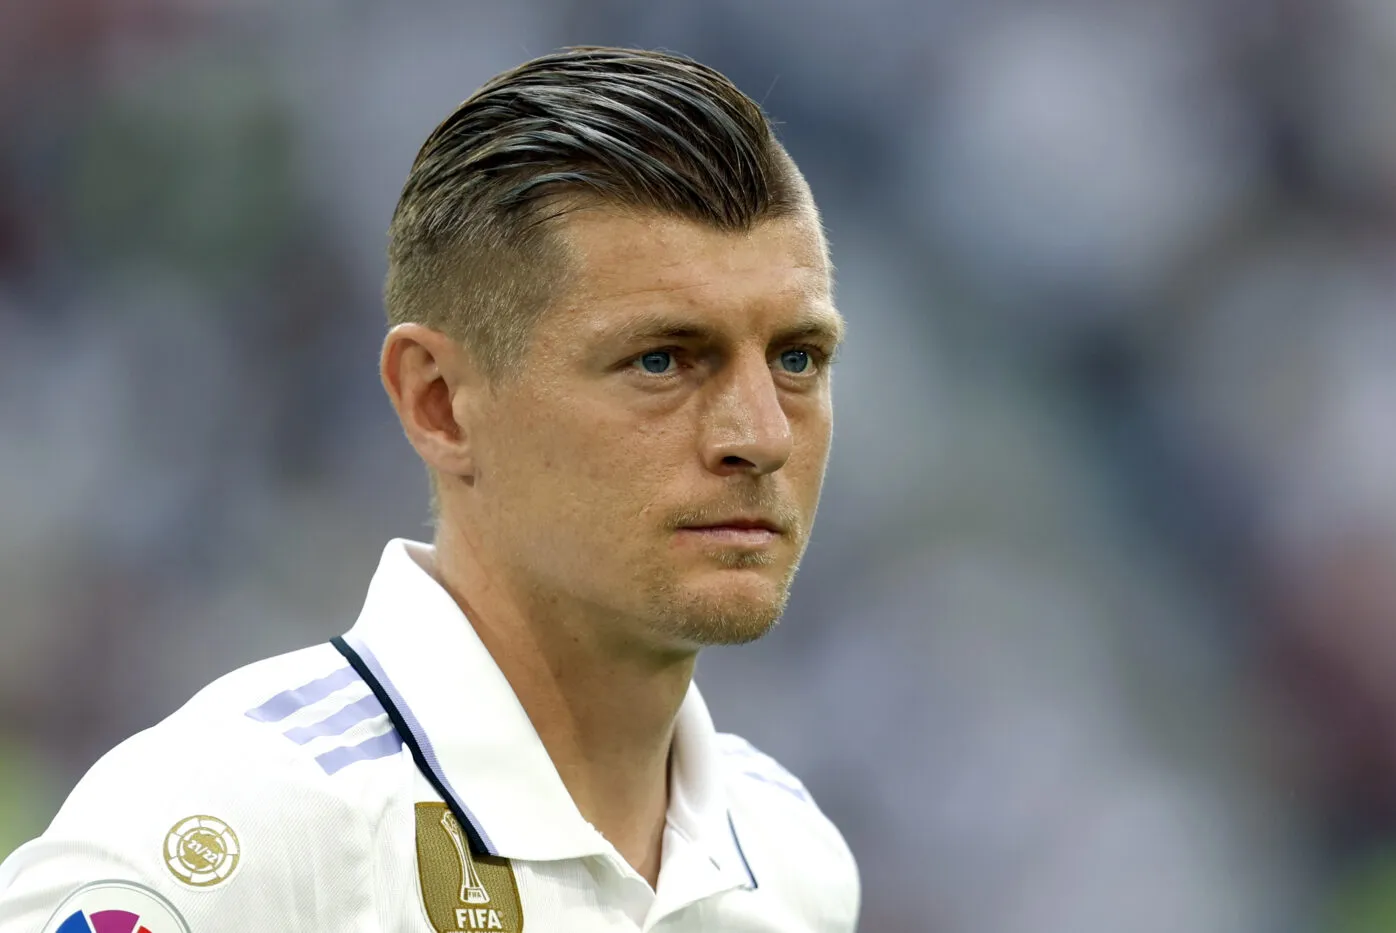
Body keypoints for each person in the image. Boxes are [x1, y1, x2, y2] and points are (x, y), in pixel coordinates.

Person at [0, 46, 859, 932]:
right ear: (440, 402)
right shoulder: (230, 838)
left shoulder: (792, 856)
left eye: (797, 358)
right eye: (661, 360)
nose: (762, 435)